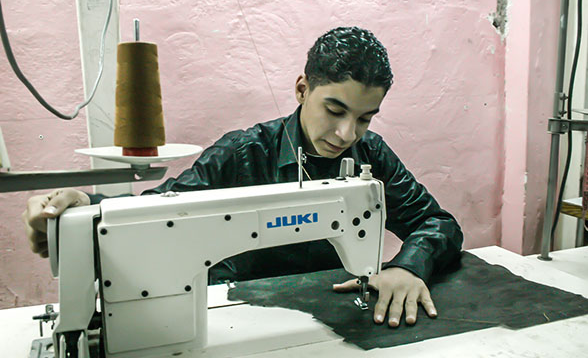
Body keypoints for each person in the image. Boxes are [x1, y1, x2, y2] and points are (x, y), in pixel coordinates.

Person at [23, 26, 463, 328]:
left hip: (331, 320)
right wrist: (86, 209)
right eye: (335, 110)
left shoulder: (371, 155)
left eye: (365, 118)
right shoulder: (242, 154)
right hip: (235, 319)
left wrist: (408, 267)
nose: (347, 134)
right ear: (302, 89)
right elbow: (159, 212)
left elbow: (438, 223)